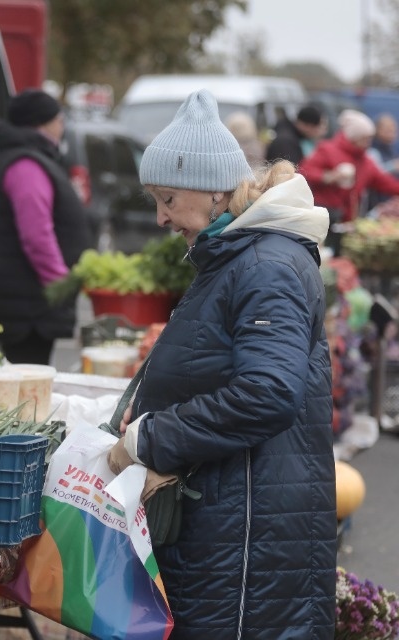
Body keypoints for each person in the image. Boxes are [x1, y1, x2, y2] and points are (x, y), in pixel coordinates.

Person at [108, 89, 336, 637]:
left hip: (245, 546)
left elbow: (267, 392)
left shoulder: (265, 265)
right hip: (234, 527)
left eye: (167, 198)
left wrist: (151, 437)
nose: (161, 218)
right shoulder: (239, 254)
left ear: (215, 191)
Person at [0, 89, 94, 365]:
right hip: (30, 309)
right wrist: (59, 286)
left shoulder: (32, 156)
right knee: (28, 383)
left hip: (31, 303)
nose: (62, 126)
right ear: (41, 123)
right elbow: (36, 235)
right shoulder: (25, 164)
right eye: (59, 120)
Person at [299, 109, 399, 253]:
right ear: (354, 137)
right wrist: (329, 176)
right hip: (321, 218)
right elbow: (304, 171)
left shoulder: (366, 161)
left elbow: (384, 182)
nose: (369, 143)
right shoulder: (327, 150)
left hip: (347, 222)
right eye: (365, 138)